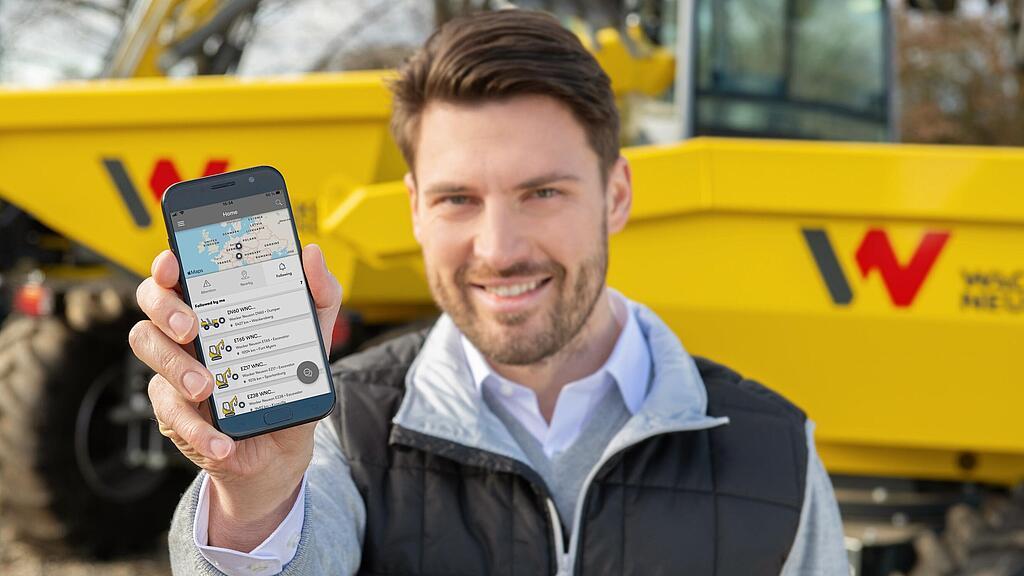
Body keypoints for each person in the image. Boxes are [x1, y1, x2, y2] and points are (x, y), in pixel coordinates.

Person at [129, 9, 847, 576]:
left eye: (542, 192)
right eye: (457, 200)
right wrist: (253, 494)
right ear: (414, 209)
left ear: (617, 195)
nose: (499, 249)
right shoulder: (339, 433)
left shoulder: (774, 449)